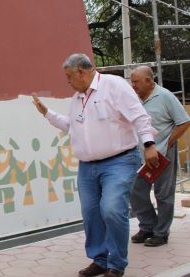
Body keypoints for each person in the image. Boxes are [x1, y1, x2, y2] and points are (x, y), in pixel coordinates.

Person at [32, 54, 157, 277]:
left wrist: (149, 144)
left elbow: (139, 116)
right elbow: (71, 126)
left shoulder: (114, 86)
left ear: (81, 71)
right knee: (91, 214)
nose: (67, 81)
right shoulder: (77, 98)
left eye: (69, 76)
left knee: (111, 209)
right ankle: (100, 259)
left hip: (119, 161)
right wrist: (47, 113)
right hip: (87, 168)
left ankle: (116, 264)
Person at [129, 65, 190, 247]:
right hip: (140, 155)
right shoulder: (134, 99)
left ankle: (161, 233)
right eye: (132, 82)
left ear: (149, 81)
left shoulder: (165, 96)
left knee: (163, 194)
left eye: (136, 82)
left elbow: (184, 121)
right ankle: (148, 226)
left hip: (163, 153)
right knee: (135, 191)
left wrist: (169, 142)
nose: (133, 86)